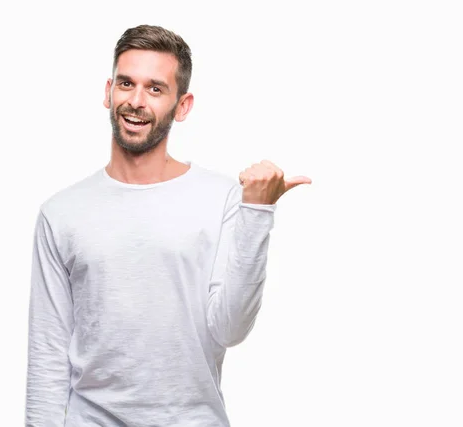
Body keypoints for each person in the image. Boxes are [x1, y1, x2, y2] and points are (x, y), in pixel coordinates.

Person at [25, 24, 311, 427]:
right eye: (127, 84)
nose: (136, 101)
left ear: (183, 105)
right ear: (108, 92)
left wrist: (257, 213)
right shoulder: (62, 212)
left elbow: (230, 328)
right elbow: (48, 355)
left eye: (155, 89)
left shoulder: (223, 197)